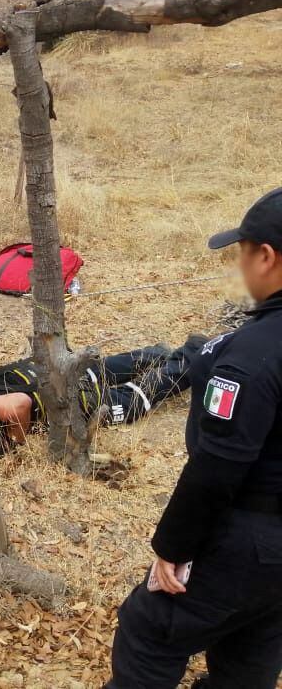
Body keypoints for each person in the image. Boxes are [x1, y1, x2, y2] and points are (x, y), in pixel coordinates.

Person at [107, 188, 282, 689]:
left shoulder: (252, 356)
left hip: (248, 529)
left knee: (151, 628)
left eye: (242, 253)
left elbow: (218, 464)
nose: (240, 264)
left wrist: (174, 545)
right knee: (255, 637)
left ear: (265, 257)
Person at [0, 341, 201, 462]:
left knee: (130, 403)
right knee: (98, 369)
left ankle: (189, 362)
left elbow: (17, 405)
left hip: (57, 395)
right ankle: (157, 355)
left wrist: (14, 443)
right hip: (37, 367)